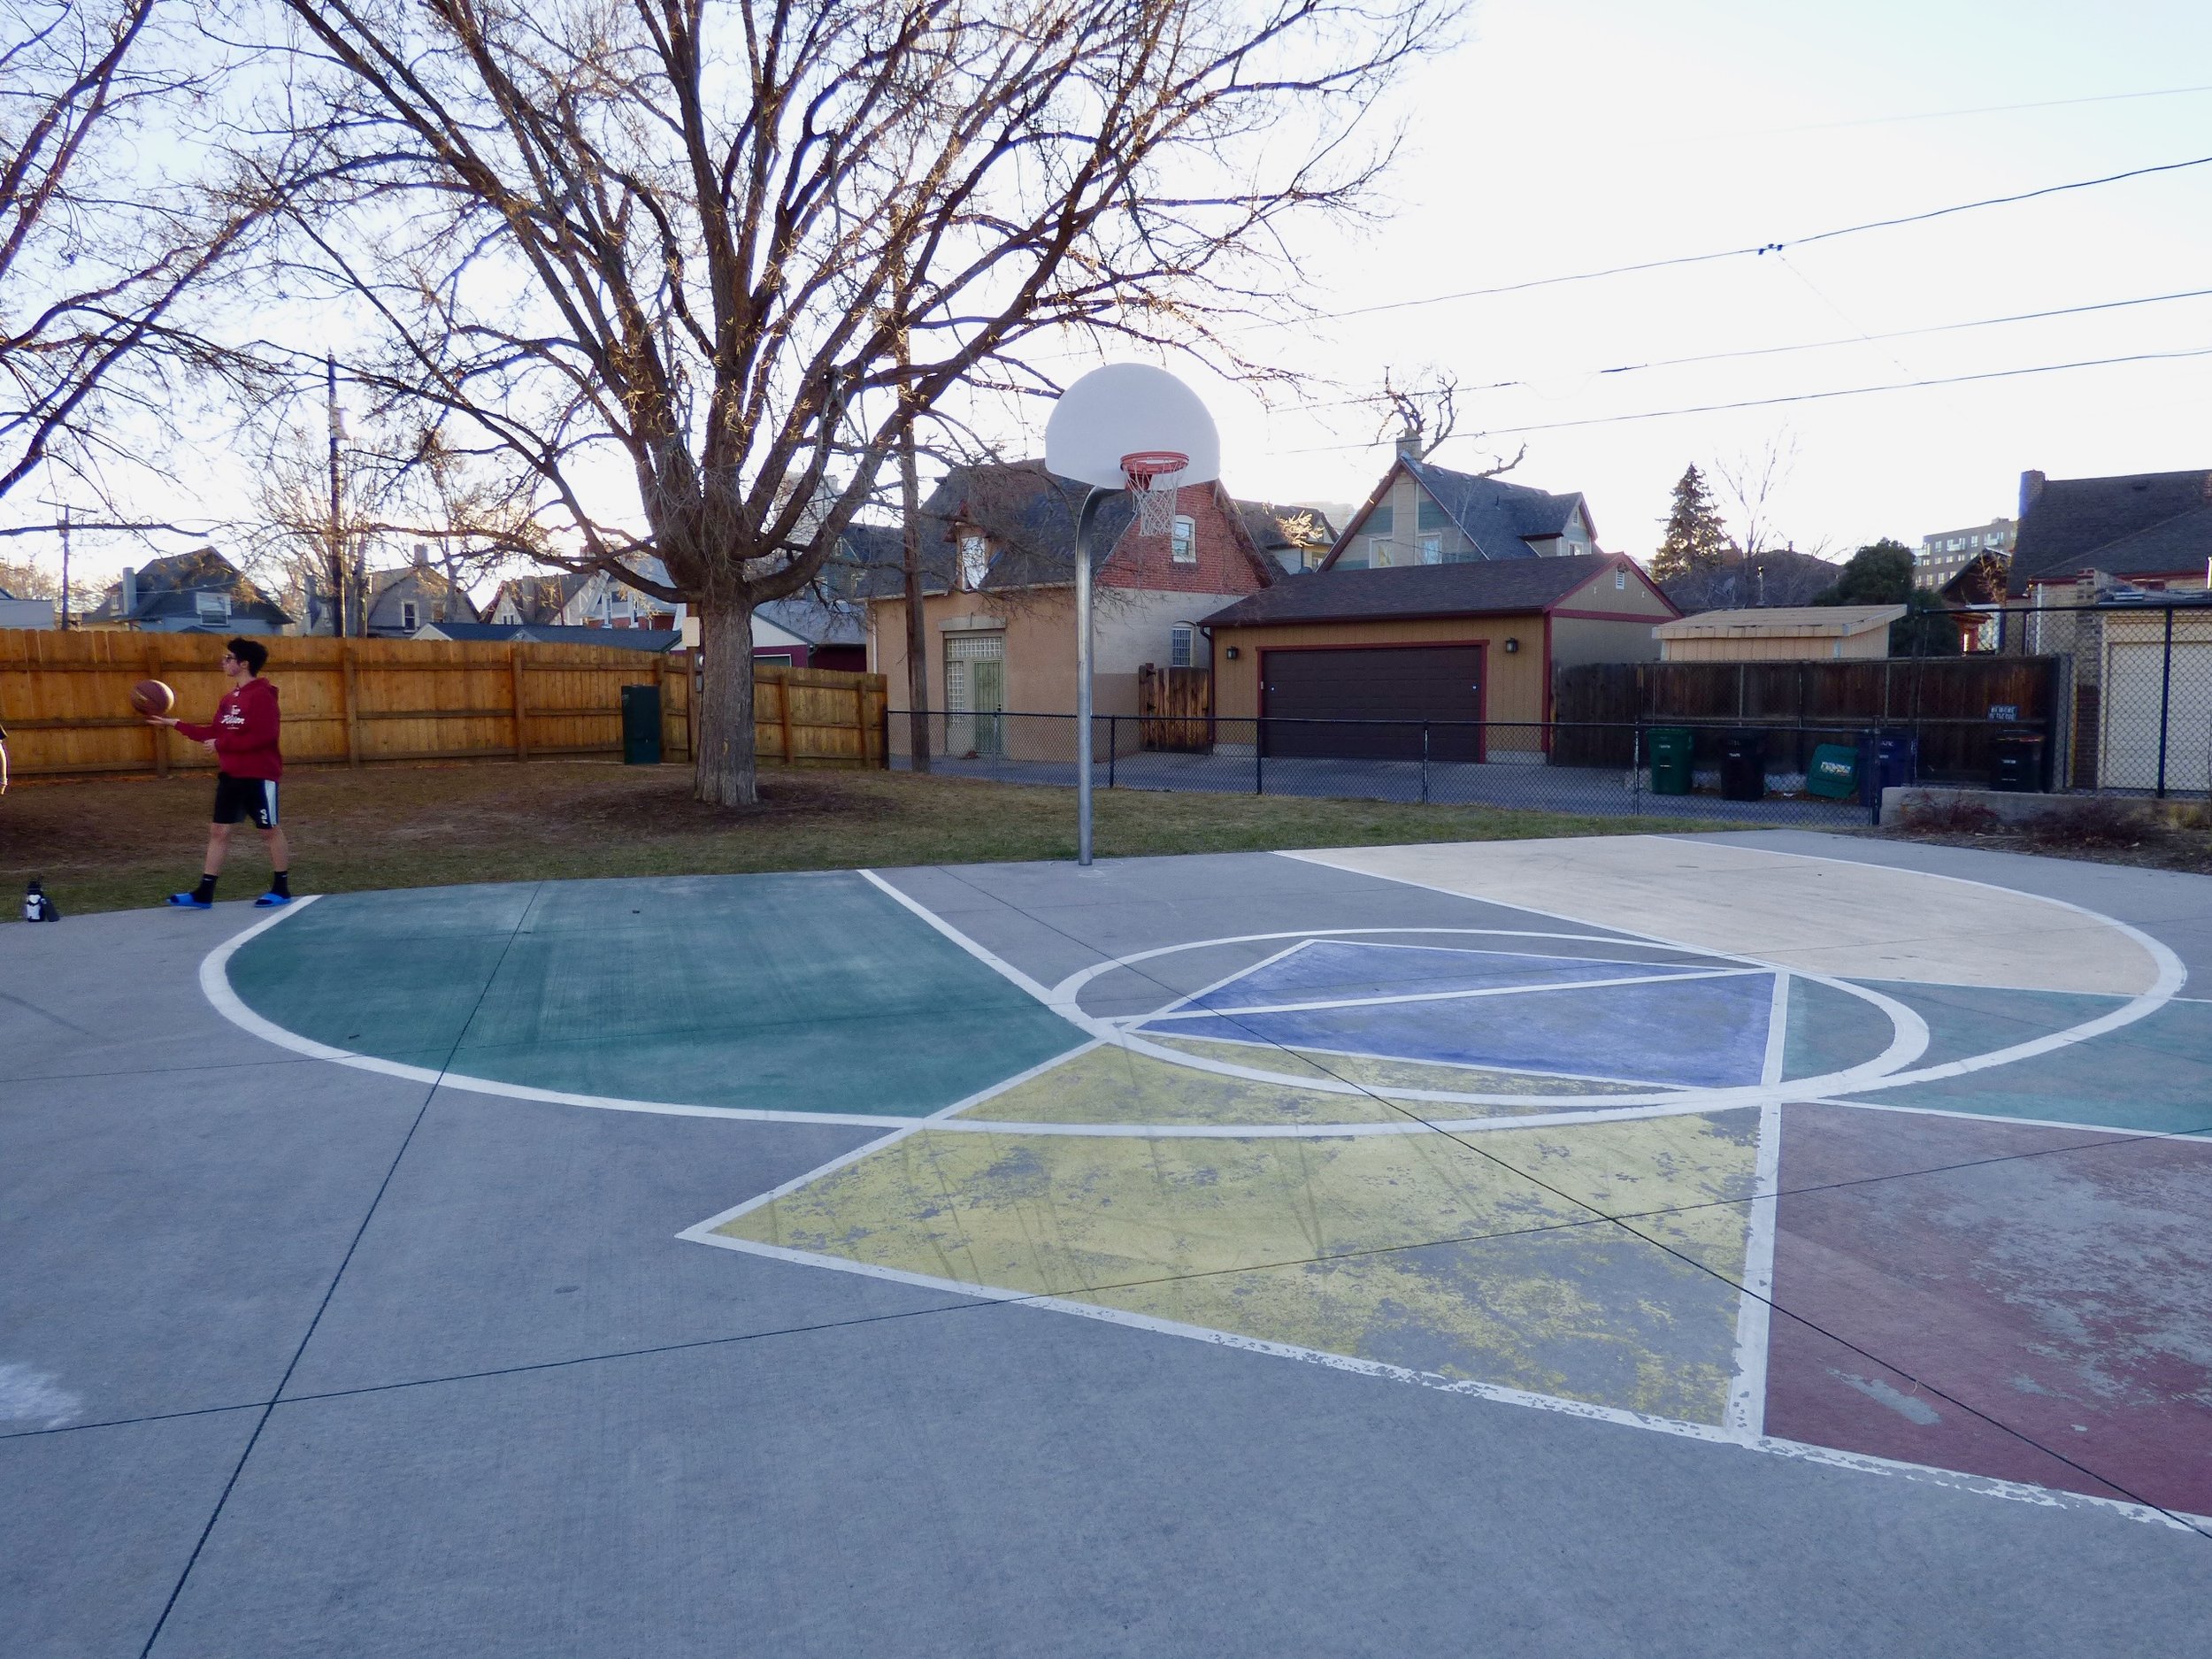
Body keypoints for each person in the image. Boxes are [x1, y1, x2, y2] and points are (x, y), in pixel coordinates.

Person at [149, 636, 293, 909]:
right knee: (218, 830)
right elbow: (214, 733)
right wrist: (175, 723)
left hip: (259, 776)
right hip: (231, 775)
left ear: (244, 663)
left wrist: (221, 744)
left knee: (268, 830)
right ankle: (204, 893)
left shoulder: (262, 695)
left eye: (228, 658)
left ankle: (281, 888)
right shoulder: (230, 698)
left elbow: (265, 737)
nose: (223, 662)